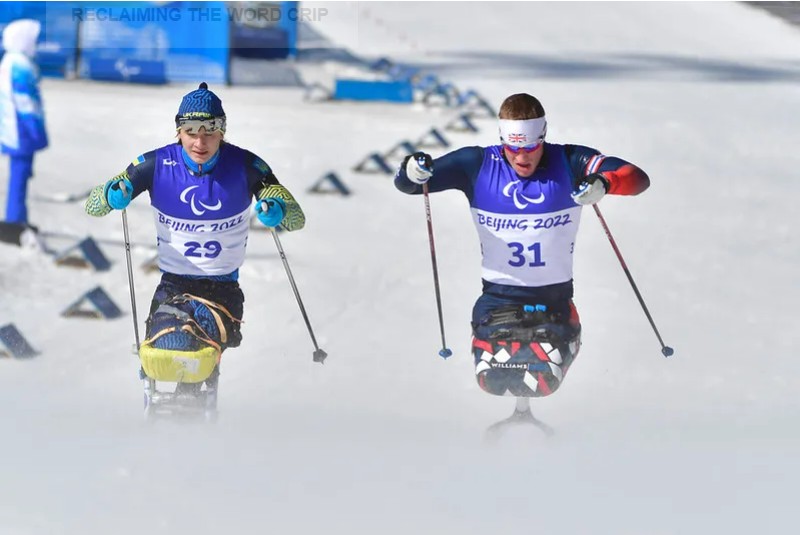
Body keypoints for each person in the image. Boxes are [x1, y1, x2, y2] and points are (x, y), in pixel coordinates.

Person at [394, 93, 650, 398]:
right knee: (493, 383)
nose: (521, 157)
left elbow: (637, 178)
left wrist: (605, 183)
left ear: (543, 136)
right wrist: (412, 168)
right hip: (497, 303)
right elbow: (410, 184)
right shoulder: (476, 164)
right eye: (513, 147)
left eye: (530, 147)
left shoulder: (570, 161)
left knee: (545, 385)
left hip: (555, 305)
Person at [84, 82, 306, 393]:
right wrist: (111, 195)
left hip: (222, 287)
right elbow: (93, 205)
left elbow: (297, 219)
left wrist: (278, 208)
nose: (200, 142)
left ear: (222, 132)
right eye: (191, 132)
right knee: (163, 353)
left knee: (196, 354)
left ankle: (195, 416)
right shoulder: (156, 163)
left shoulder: (246, 165)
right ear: (179, 131)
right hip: (173, 285)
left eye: (209, 132)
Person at [0, 19, 49, 225]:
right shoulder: (19, 64)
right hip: (21, 130)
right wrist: (35, 131)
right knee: (20, 175)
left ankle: (17, 217)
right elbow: (26, 102)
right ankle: (15, 220)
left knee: (20, 174)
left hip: (14, 128)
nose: (35, 44)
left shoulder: (12, 60)